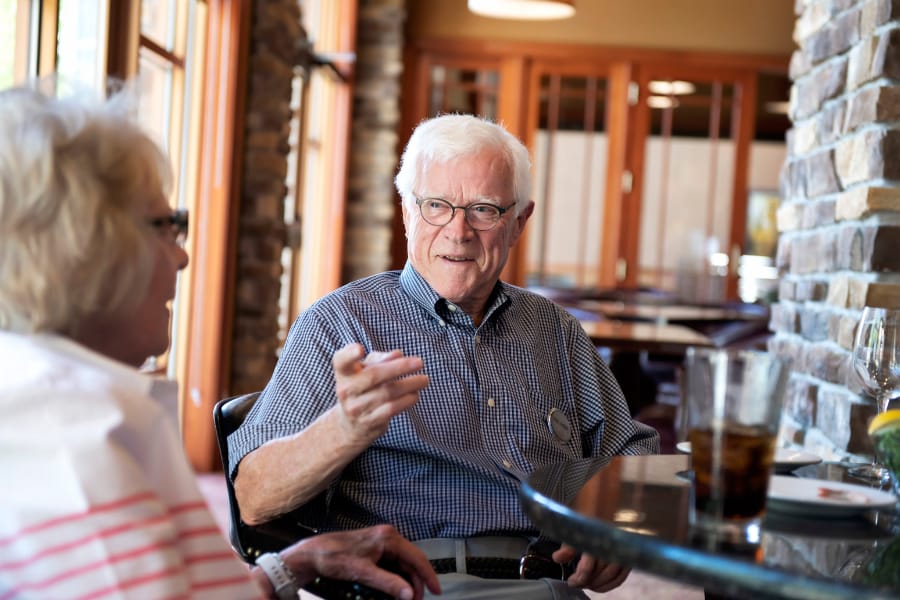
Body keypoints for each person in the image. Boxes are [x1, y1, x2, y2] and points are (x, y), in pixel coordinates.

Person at [0, 83, 440, 600]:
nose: (183, 257)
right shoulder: (75, 439)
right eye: (167, 227)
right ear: (89, 245)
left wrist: (289, 568)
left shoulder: (59, 403)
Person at [229, 113, 660, 598]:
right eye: (437, 206)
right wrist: (343, 429)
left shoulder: (554, 330)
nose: (458, 231)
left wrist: (616, 527)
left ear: (519, 221)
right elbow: (253, 498)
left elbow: (633, 452)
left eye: (483, 210)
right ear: (407, 211)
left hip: (547, 582)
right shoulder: (340, 322)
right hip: (414, 583)